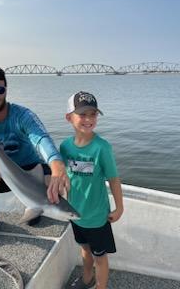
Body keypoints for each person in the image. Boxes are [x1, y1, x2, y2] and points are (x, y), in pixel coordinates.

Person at [0, 65, 69, 248]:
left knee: (59, 186)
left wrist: (57, 165)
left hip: (31, 168)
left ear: (6, 90)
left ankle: (35, 208)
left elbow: (41, 139)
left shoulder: (23, 115)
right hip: (0, 172)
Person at [60, 91, 123, 289]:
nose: (88, 119)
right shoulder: (65, 147)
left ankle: (101, 286)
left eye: (93, 114)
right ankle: (87, 278)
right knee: (85, 250)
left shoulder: (102, 147)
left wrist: (119, 208)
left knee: (100, 257)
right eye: (82, 114)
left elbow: (113, 179)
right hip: (76, 214)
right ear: (69, 117)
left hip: (97, 217)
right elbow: (63, 176)